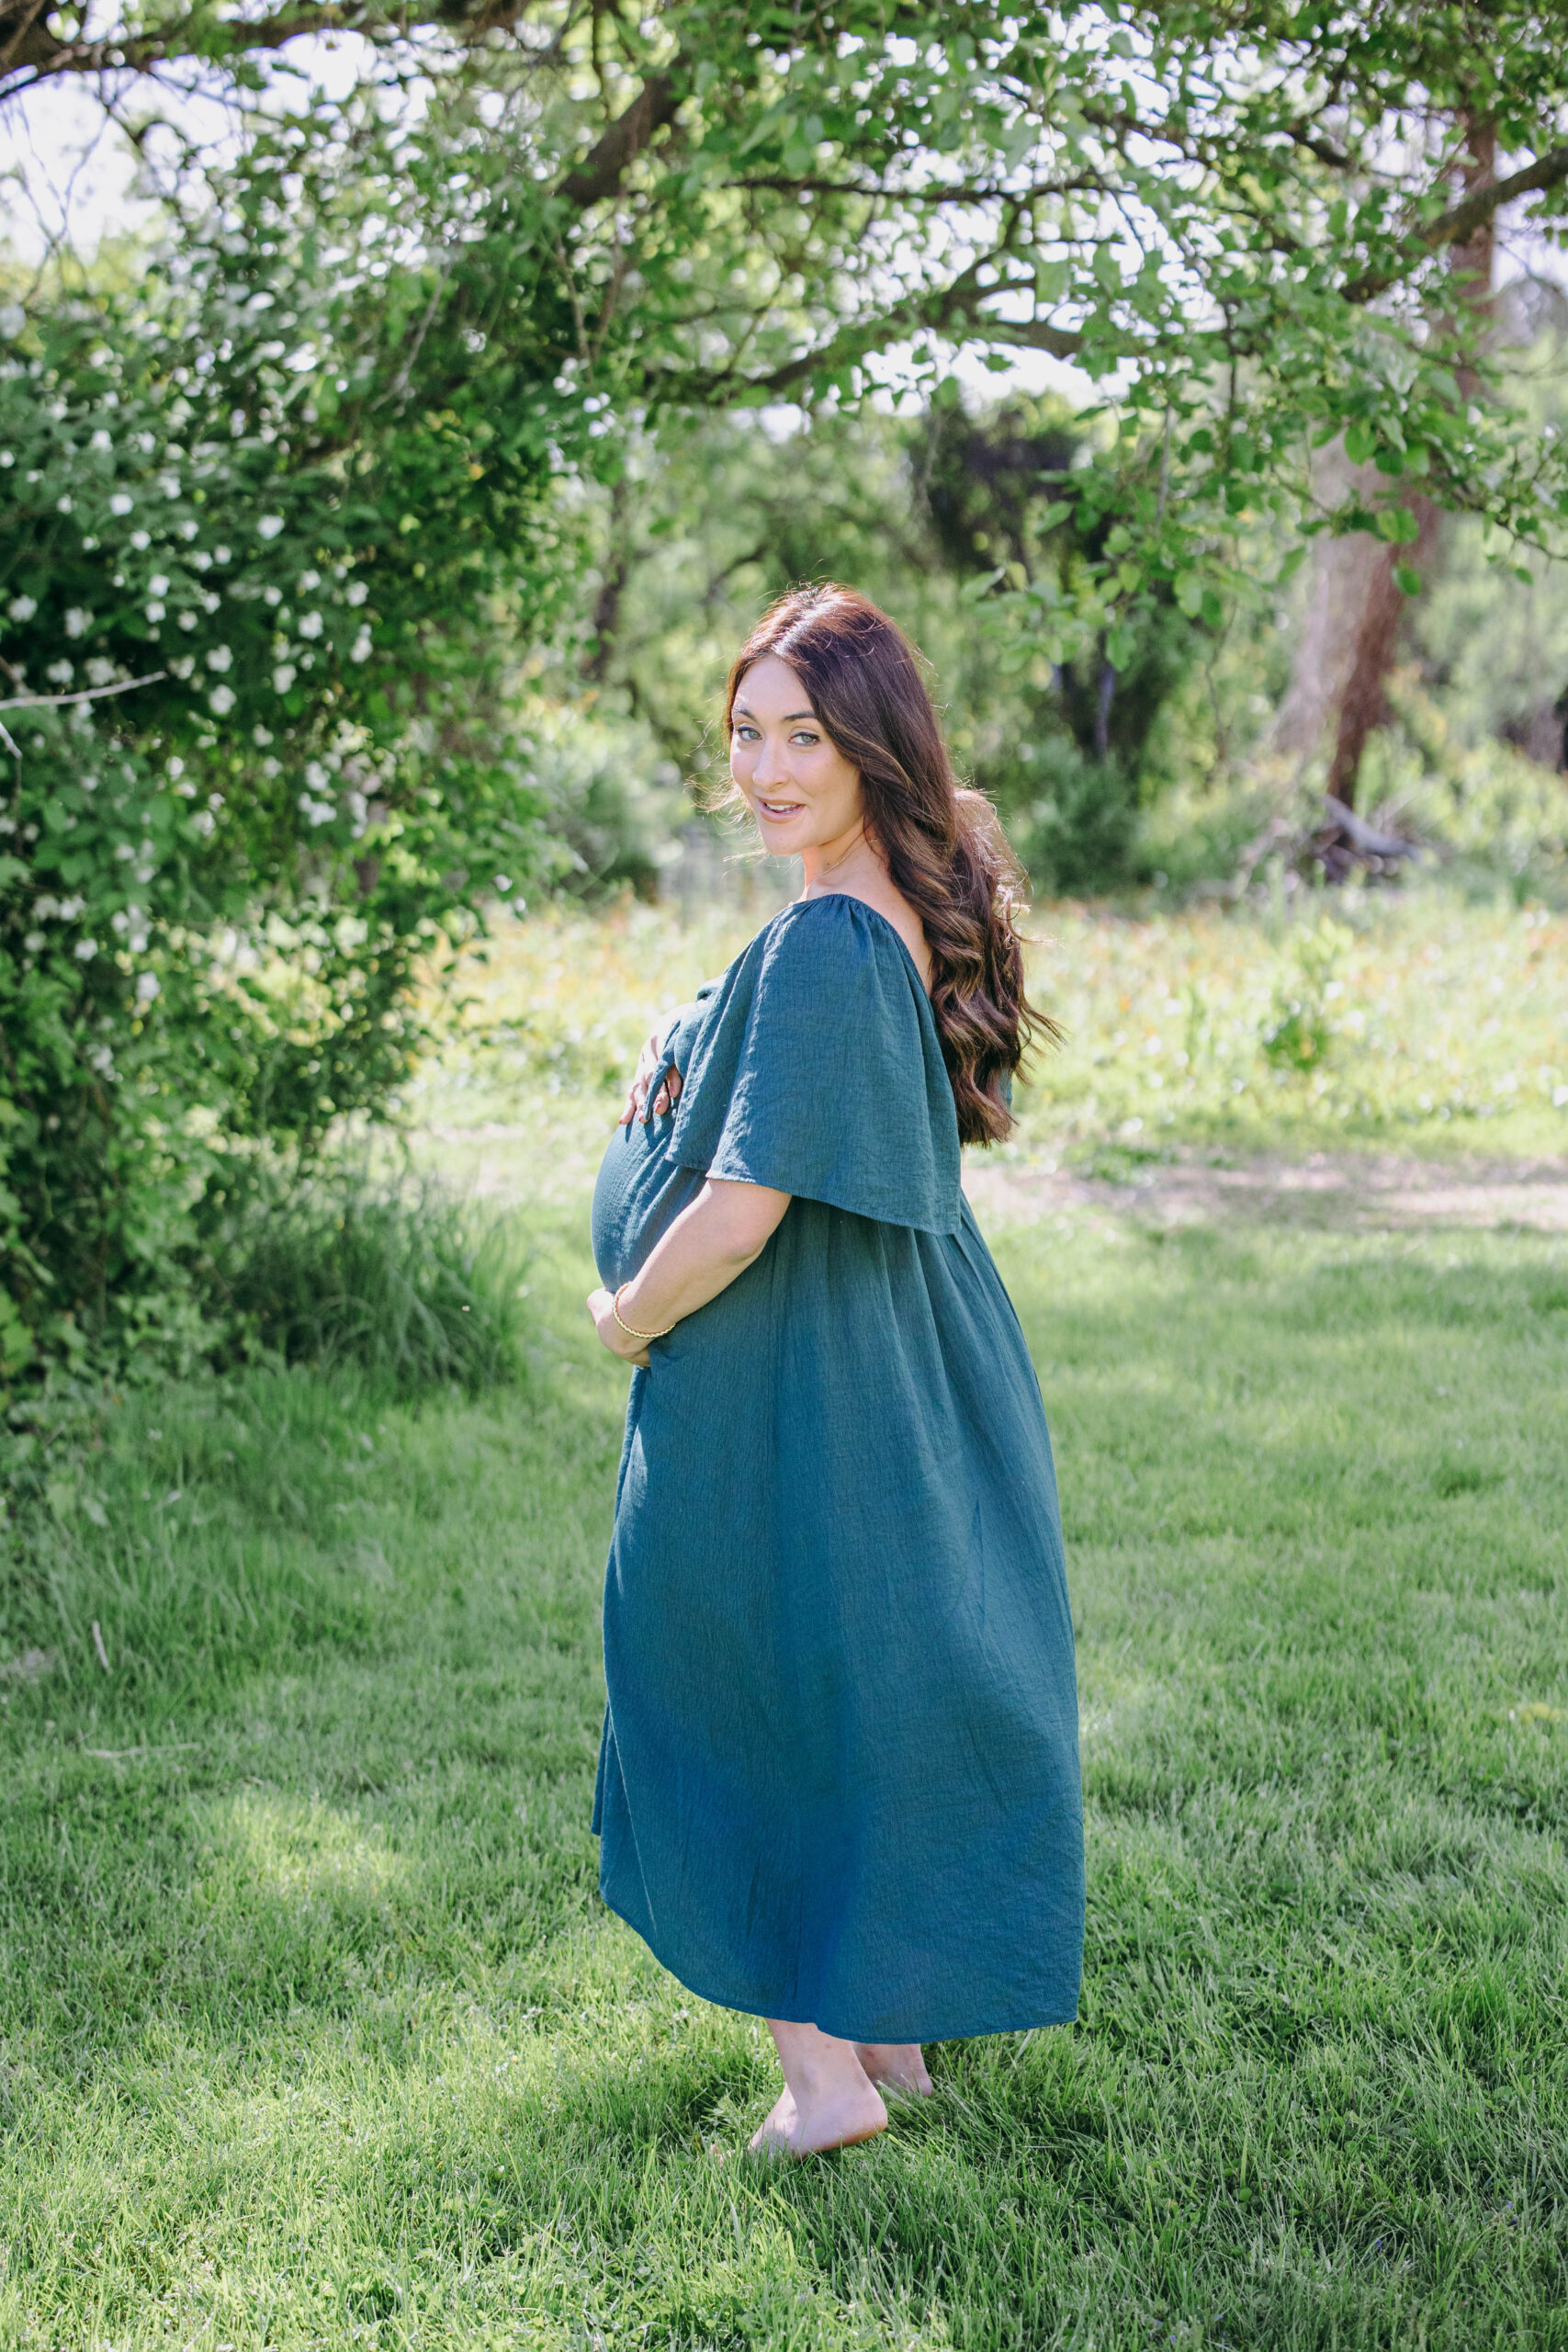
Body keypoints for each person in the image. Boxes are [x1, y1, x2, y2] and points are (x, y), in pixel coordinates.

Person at [586, 584, 1084, 2157]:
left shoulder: (819, 939)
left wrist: (628, 1316)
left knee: (722, 1684)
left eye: (806, 733)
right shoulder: (893, 912)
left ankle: (823, 2082)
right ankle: (892, 2032)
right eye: (747, 733)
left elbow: (738, 1214)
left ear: (873, 742)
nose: (770, 767)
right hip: (902, 1360)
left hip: (789, 1374)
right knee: (869, 1678)